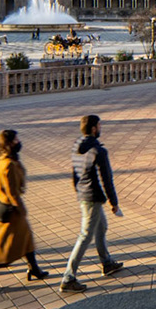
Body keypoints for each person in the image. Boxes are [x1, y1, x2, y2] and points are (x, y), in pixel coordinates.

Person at [59, 114, 124, 292]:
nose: (101, 128)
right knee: (85, 235)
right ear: (94, 128)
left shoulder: (77, 145)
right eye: (99, 125)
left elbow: (75, 173)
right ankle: (68, 277)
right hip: (93, 197)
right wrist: (114, 203)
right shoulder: (99, 151)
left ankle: (107, 263)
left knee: (101, 227)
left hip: (83, 194)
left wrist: (78, 190)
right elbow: (107, 179)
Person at [0, 129, 48, 282]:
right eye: (16, 140)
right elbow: (12, 191)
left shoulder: (0, 160)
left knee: (26, 239)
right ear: (9, 143)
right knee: (22, 239)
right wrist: (21, 208)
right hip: (11, 210)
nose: (19, 142)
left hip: (4, 206)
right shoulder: (8, 164)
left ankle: (34, 268)